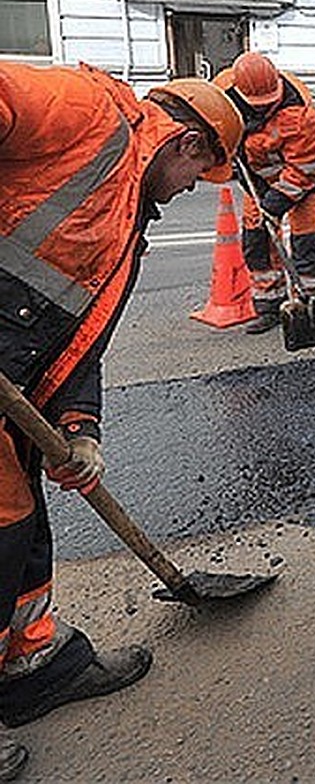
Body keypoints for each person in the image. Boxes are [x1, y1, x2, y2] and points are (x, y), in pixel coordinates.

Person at [0, 62, 243, 738]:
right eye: (199, 176)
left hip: (15, 388)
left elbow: (81, 339)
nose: (194, 188)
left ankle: (32, 664)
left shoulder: (124, 223)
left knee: (21, 530)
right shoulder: (89, 112)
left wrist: (80, 428)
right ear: (186, 144)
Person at [215, 52, 315, 334]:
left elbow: (303, 170)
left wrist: (275, 203)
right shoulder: (224, 94)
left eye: (270, 102)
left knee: (305, 245)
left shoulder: (300, 114)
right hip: (258, 181)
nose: (266, 108)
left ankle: (314, 307)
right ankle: (270, 307)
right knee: (257, 242)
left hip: (303, 181)